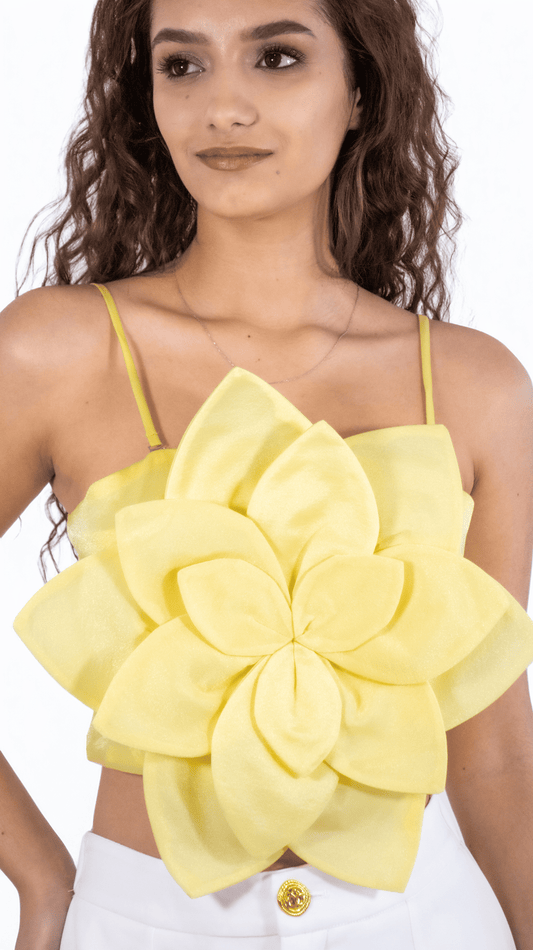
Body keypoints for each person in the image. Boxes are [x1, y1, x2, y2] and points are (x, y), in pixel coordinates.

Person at [1, 0, 533, 947]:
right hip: (144, 925)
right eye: (182, 65)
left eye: (277, 57)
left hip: (426, 918)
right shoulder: (57, 350)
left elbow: (490, 750)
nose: (223, 107)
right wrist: (39, 879)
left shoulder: (473, 383)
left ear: (361, 89)